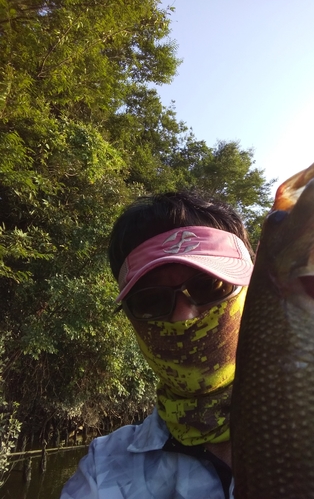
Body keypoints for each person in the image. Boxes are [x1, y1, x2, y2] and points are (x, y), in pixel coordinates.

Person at [60, 191, 254, 499]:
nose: (183, 317)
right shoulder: (104, 470)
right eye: (151, 301)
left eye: (209, 285)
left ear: (256, 294)